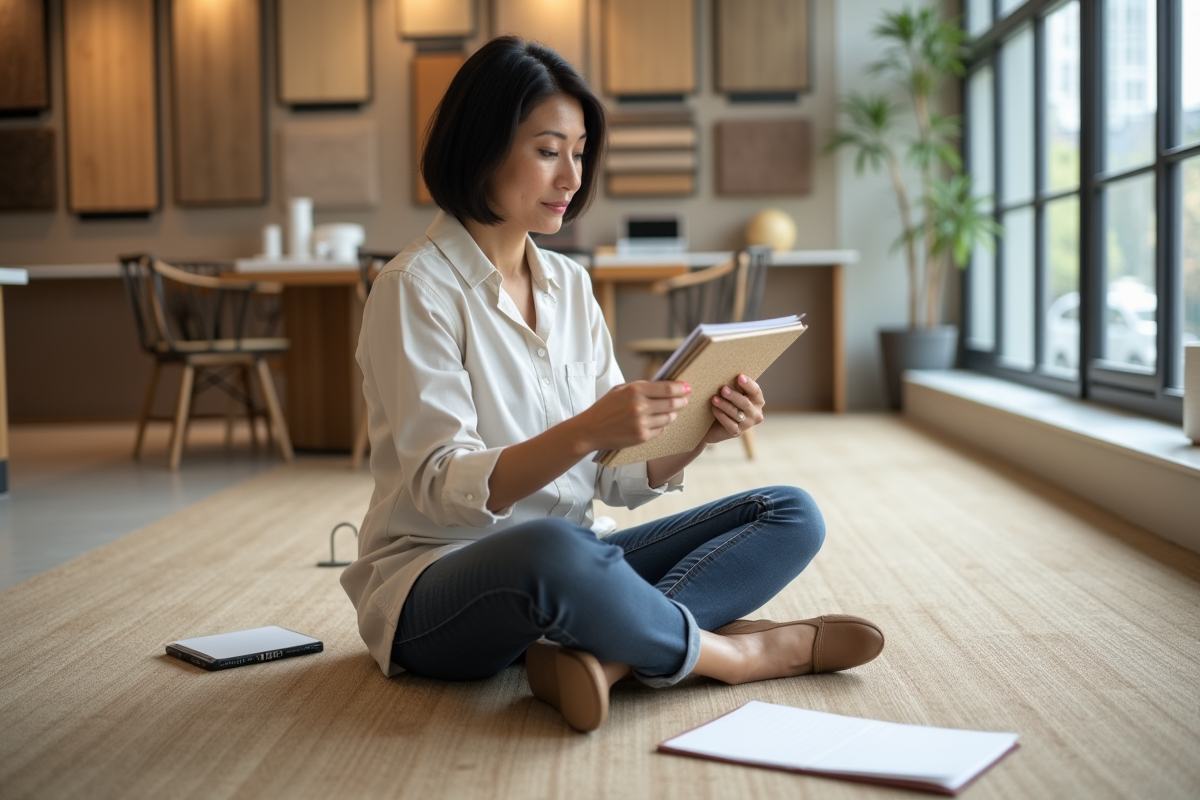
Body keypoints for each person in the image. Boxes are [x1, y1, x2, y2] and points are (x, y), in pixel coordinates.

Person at [341, 36, 884, 733]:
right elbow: (445, 489)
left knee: (788, 512)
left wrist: (695, 435)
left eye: (580, 150)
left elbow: (615, 480)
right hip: (439, 586)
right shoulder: (413, 288)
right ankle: (736, 657)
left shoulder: (569, 284)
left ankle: (608, 660)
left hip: (574, 561)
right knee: (556, 550)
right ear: (480, 146)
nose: (571, 176)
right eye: (547, 150)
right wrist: (588, 428)